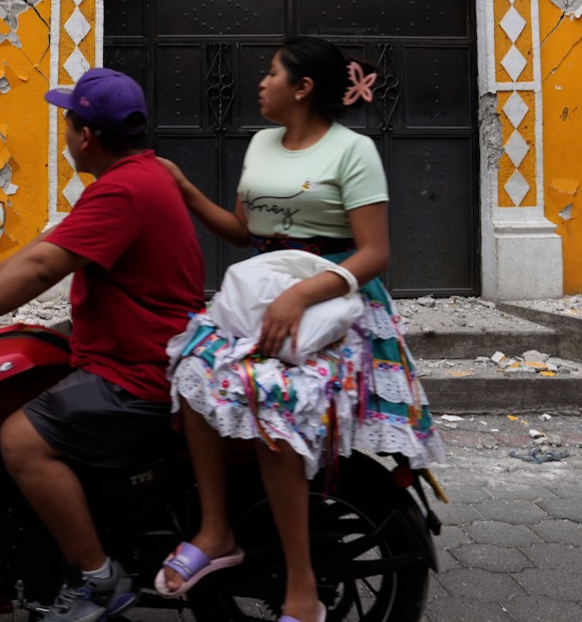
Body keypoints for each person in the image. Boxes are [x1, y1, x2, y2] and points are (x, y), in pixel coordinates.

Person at [0, 67, 206, 622]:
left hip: (138, 372)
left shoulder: (122, 191)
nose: (64, 134)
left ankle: (98, 581)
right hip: (134, 354)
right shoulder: (134, 176)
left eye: (68, 122)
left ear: (86, 136)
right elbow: (46, 249)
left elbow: (40, 270)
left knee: (21, 440)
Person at [152, 38, 444, 622]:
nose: (261, 83)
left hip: (335, 303)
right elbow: (242, 231)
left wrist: (303, 293)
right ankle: (215, 532)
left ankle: (303, 591)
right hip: (264, 293)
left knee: (277, 403)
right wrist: (183, 189)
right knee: (191, 372)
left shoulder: (353, 151)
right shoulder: (261, 144)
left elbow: (374, 253)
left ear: (302, 87)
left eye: (271, 73)